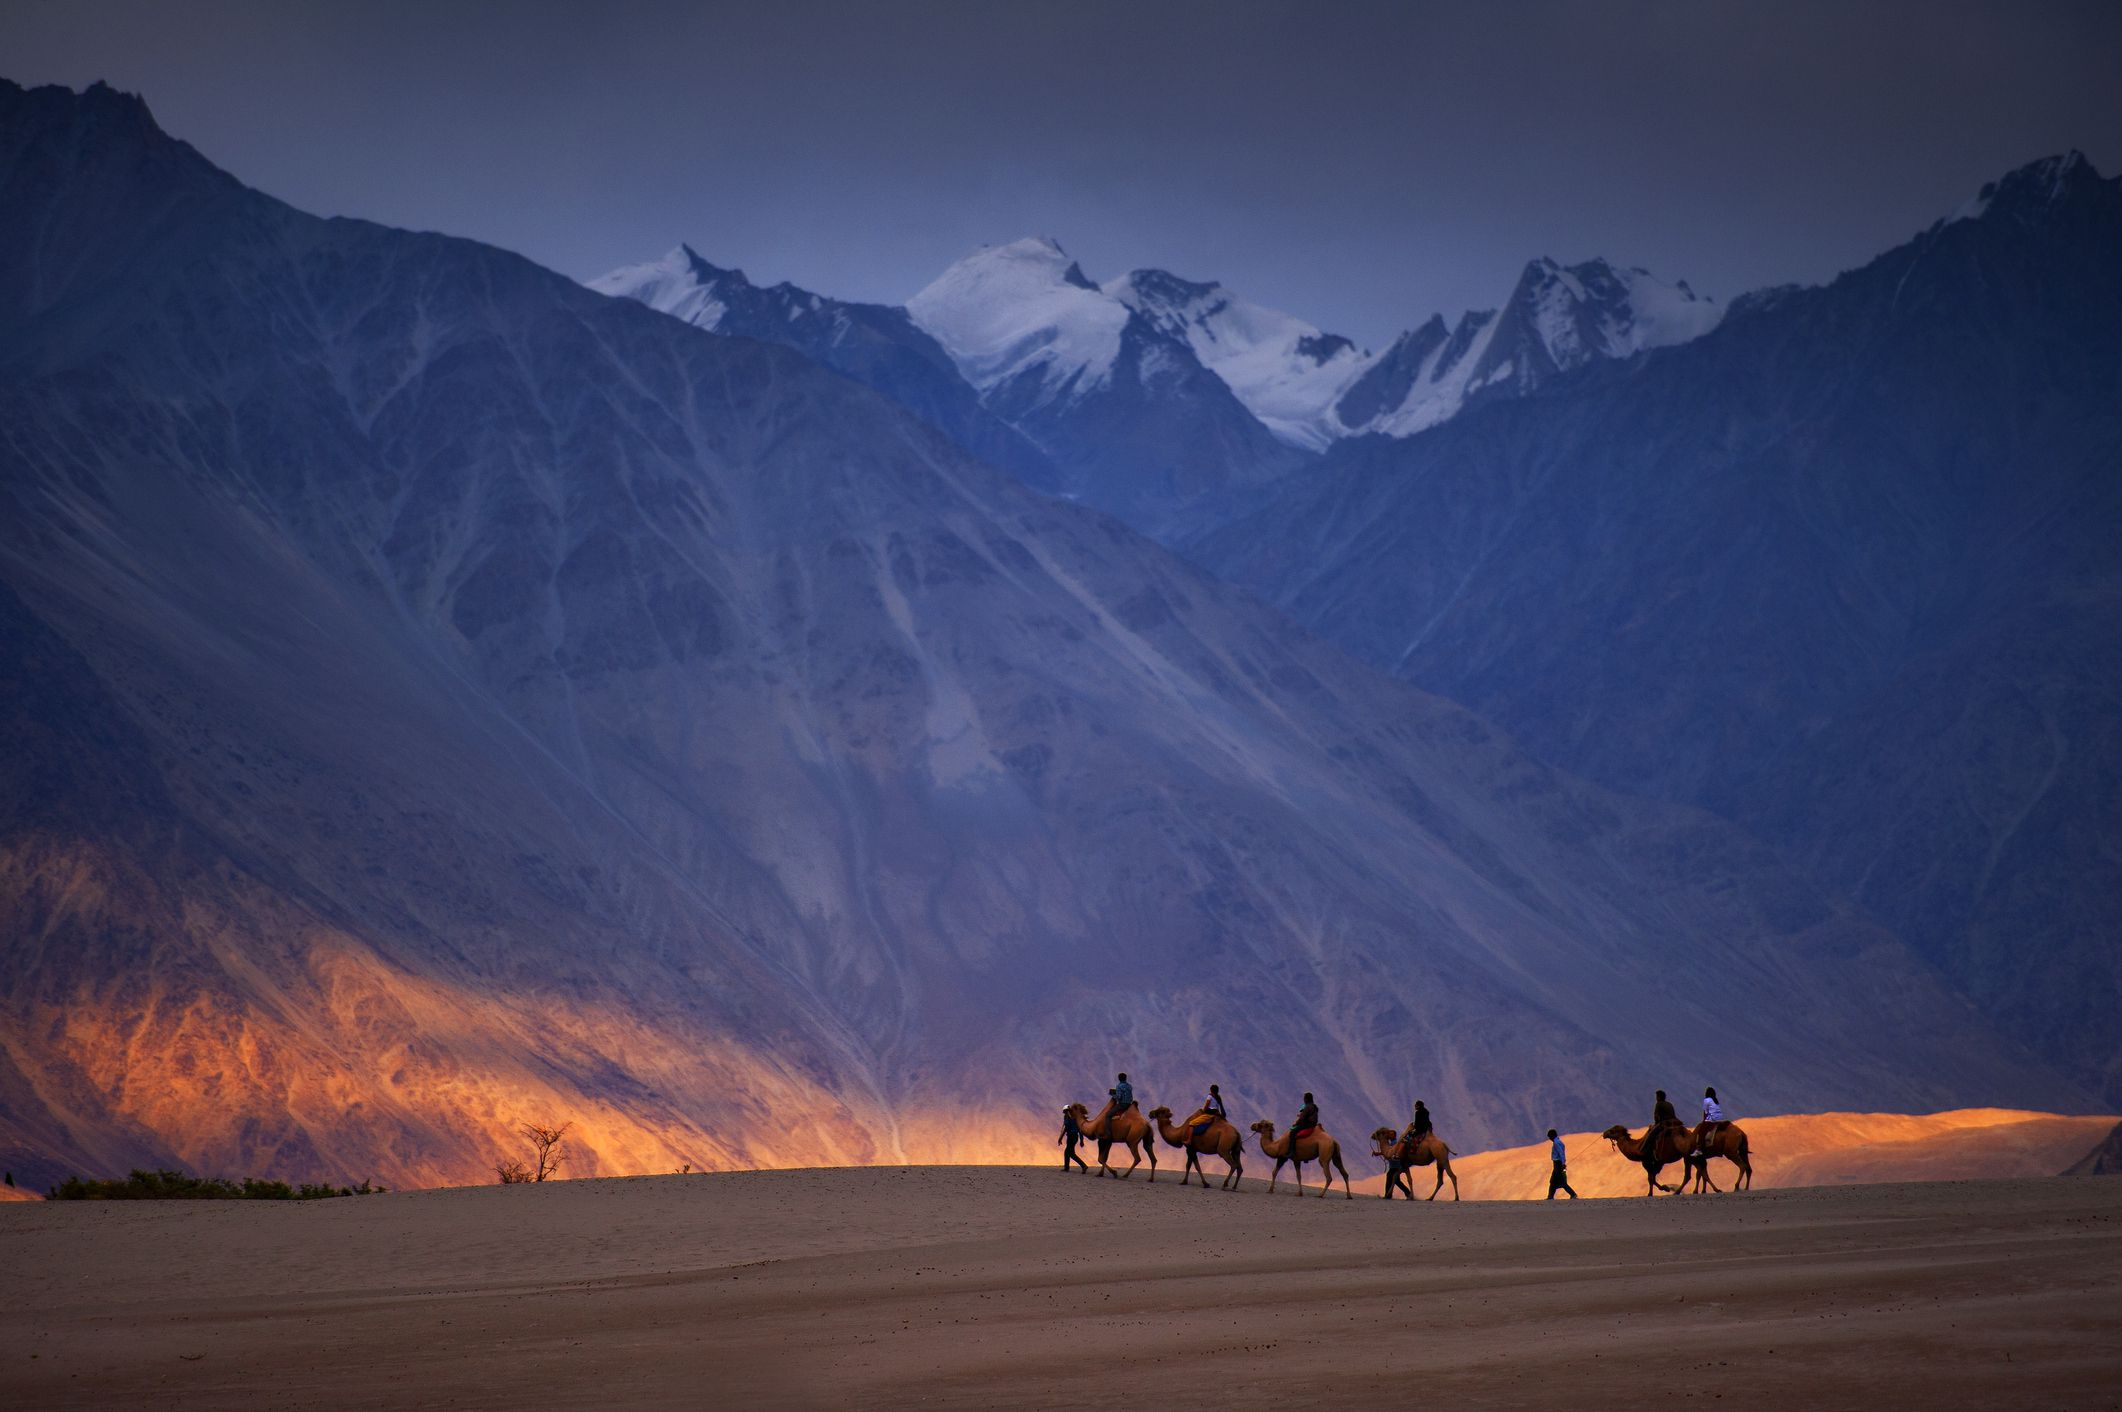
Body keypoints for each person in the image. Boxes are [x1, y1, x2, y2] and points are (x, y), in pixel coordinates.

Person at [1647, 1089, 1680, 1162]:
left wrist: (1656, 1124)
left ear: (1659, 1097)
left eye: (1657, 1096)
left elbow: (1656, 1116)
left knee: (1650, 1135)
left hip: (1665, 1124)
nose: (1656, 1098)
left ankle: (1646, 1151)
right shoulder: (1669, 1104)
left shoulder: (1658, 1104)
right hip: (1675, 1122)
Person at [1546, 1129, 1578, 1199]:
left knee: (1562, 1181)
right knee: (1553, 1181)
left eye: (1550, 1137)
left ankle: (1573, 1194)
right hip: (1557, 1164)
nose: (1549, 1139)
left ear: (1552, 1136)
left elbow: (1561, 1153)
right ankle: (1550, 1196)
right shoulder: (1559, 1142)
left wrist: (1563, 1163)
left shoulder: (1556, 1143)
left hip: (1558, 1164)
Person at [1058, 1105, 1087, 1172]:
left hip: (1073, 1137)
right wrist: (1060, 1138)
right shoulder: (1066, 1118)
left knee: (1070, 1153)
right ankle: (1066, 1168)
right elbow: (1065, 1129)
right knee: (1067, 1152)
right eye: (1065, 1112)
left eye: (1066, 1111)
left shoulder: (1074, 1118)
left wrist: (1081, 1140)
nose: (1066, 1113)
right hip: (1070, 1137)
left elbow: (1080, 1130)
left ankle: (1084, 1166)